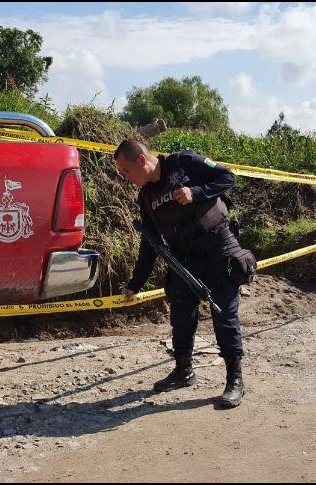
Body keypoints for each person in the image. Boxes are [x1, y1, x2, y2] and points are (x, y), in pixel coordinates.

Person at [114, 139, 245, 407]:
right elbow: (150, 243)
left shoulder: (183, 162)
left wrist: (196, 192)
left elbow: (227, 177)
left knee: (224, 315)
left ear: (141, 160)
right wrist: (135, 283)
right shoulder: (146, 197)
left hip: (217, 249)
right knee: (181, 316)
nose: (126, 179)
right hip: (183, 261)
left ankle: (235, 379)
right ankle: (183, 371)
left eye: (126, 172)